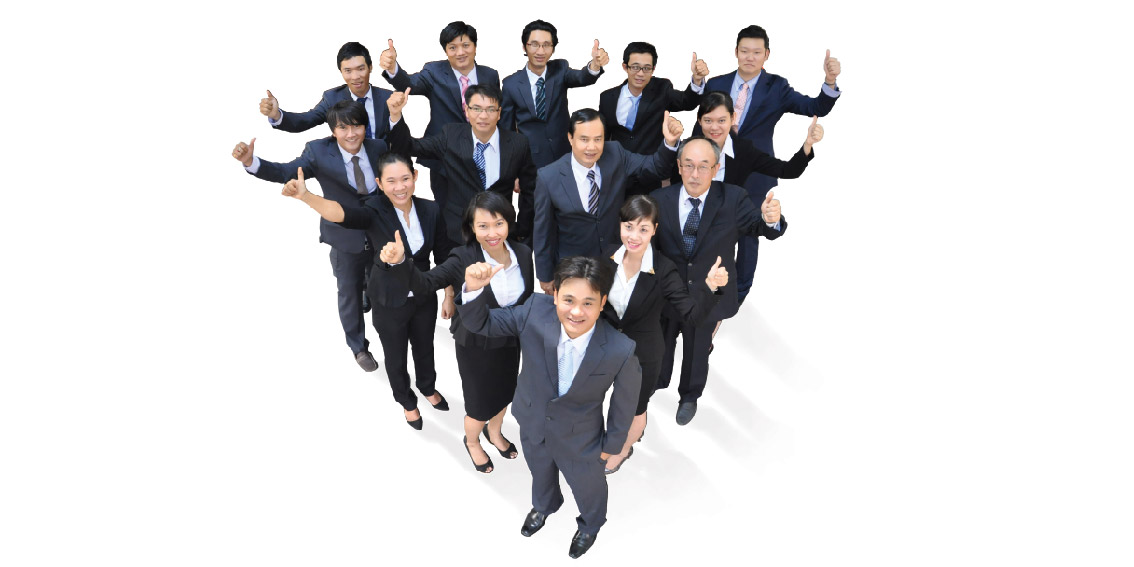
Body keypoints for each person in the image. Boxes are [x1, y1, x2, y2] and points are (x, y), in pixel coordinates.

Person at [458, 255, 641, 559]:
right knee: (540, 472)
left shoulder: (620, 350)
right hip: (533, 422)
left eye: (588, 302)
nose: (576, 311)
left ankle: (590, 525)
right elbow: (482, 323)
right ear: (554, 295)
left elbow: (624, 406)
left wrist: (609, 449)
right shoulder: (534, 311)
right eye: (568, 299)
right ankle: (544, 506)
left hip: (582, 439)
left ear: (602, 302)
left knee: (588, 488)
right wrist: (474, 289)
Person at [281, 153, 453, 430]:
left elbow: (444, 257)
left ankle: (427, 387)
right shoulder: (374, 209)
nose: (400, 187)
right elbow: (342, 214)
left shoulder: (431, 210)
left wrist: (448, 295)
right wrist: (307, 197)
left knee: (425, 347)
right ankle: (406, 401)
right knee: (395, 356)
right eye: (391, 181)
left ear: (415, 177)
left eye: (405, 178)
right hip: (387, 297)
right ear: (379, 184)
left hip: (424, 295)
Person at [231, 100, 400, 372]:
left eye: (357, 126)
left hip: (378, 231)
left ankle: (372, 295)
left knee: (381, 283)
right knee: (349, 292)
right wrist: (251, 162)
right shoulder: (318, 152)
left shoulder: (378, 147)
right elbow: (286, 171)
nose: (351, 134)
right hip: (344, 235)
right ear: (333, 130)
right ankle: (358, 347)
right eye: (343, 128)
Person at [377, 192, 534, 473]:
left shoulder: (522, 253)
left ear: (509, 223)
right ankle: (472, 441)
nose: (492, 233)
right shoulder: (463, 257)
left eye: (498, 224)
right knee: (479, 403)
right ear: (472, 228)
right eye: (483, 226)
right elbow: (425, 284)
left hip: (511, 341)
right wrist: (400, 263)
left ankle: (494, 432)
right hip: (476, 344)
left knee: (506, 392)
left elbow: (527, 301)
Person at [650, 137, 786, 426]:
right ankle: (656, 381)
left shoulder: (733, 198)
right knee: (660, 344)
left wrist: (770, 220)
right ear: (679, 166)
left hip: (709, 291)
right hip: (668, 292)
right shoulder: (659, 199)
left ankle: (689, 396)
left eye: (703, 166)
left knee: (697, 349)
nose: (695, 174)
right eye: (688, 165)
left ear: (716, 168)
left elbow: (758, 227)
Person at [701, 24, 841, 304]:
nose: (749, 57)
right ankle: (707, 289)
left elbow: (814, 107)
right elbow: (703, 124)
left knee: (748, 236)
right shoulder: (715, 84)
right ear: (735, 52)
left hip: (755, 173)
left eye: (756, 52)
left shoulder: (776, 87)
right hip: (713, 170)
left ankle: (737, 296)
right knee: (709, 231)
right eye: (744, 51)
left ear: (767, 54)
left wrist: (829, 81)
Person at [599, 195, 727, 473]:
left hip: (642, 355)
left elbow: (692, 315)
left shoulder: (664, 269)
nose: (634, 236)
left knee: (634, 407)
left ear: (654, 230)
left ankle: (623, 449)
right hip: (605, 346)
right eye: (629, 227)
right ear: (620, 226)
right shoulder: (606, 256)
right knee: (596, 397)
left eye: (643, 229)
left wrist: (710, 288)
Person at [532, 108, 683, 292]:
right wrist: (545, 276)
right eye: (584, 139)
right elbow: (543, 231)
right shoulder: (548, 176)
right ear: (570, 138)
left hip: (615, 263)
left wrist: (669, 142)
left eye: (598, 139)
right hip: (573, 268)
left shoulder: (615, 154)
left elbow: (654, 167)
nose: (592, 147)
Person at [384, 84, 537, 246]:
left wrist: (522, 230)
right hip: (457, 233)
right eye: (476, 109)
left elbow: (530, 190)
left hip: (500, 234)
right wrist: (396, 116)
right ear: (467, 111)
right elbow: (410, 147)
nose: (483, 115)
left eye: (491, 109)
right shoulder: (451, 136)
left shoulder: (518, 143)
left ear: (499, 113)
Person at [379, 22, 501, 208]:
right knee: (446, 213)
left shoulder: (490, 75)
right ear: (445, 50)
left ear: (475, 47)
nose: (460, 52)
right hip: (444, 158)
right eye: (452, 47)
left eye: (466, 45)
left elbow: (497, 113)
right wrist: (393, 68)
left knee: (486, 210)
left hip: (483, 157)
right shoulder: (434, 72)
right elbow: (410, 84)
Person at [597, 42, 707, 196]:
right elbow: (602, 135)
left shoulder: (661, 89)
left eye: (647, 68)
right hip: (617, 174)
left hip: (651, 173)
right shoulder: (607, 97)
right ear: (625, 67)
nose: (641, 73)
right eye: (635, 67)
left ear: (653, 69)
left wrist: (697, 80)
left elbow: (686, 101)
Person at [500, 20, 607, 168]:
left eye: (546, 45)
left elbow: (581, 77)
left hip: (565, 155)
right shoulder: (511, 84)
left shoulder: (560, 70)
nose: (540, 51)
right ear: (525, 47)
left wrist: (594, 65)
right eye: (534, 44)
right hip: (530, 161)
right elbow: (507, 131)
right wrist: (512, 167)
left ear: (553, 49)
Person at [259, 42, 392, 140]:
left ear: (370, 67)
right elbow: (306, 120)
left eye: (361, 69)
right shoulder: (333, 98)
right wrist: (277, 115)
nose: (355, 76)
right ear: (341, 72)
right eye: (348, 71)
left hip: (383, 165)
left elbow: (399, 136)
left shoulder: (388, 98)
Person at [696, 91, 823, 187]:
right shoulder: (688, 148)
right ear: (699, 120)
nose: (714, 127)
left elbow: (788, 171)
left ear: (733, 118)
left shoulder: (743, 151)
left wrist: (808, 144)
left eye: (721, 121)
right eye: (708, 120)